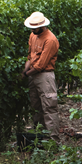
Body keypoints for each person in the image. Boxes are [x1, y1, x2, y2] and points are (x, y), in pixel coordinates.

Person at [21, 12, 60, 142]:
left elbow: (41, 65)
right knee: (36, 105)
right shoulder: (33, 35)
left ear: (42, 26)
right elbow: (30, 57)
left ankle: (52, 140)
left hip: (45, 76)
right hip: (33, 75)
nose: (32, 30)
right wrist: (25, 70)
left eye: (34, 28)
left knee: (49, 106)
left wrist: (26, 74)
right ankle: (40, 136)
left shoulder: (50, 40)